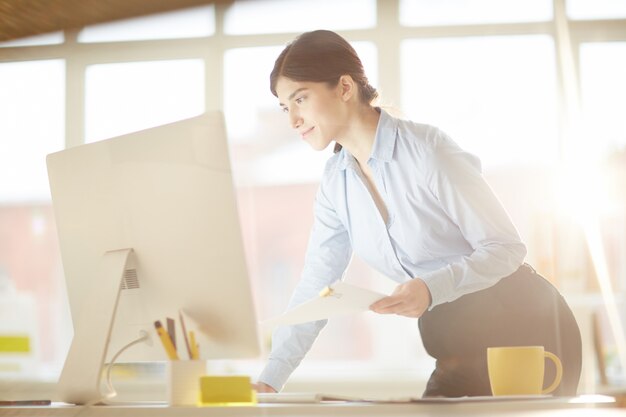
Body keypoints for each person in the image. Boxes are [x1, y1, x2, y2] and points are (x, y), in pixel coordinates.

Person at [254, 29, 582, 397]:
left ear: (345, 87)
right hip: (452, 345)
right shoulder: (335, 183)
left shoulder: (428, 150)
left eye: (300, 99)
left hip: (524, 327)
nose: (292, 120)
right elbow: (317, 284)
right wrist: (271, 377)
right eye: (285, 107)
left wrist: (429, 287)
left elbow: (505, 248)